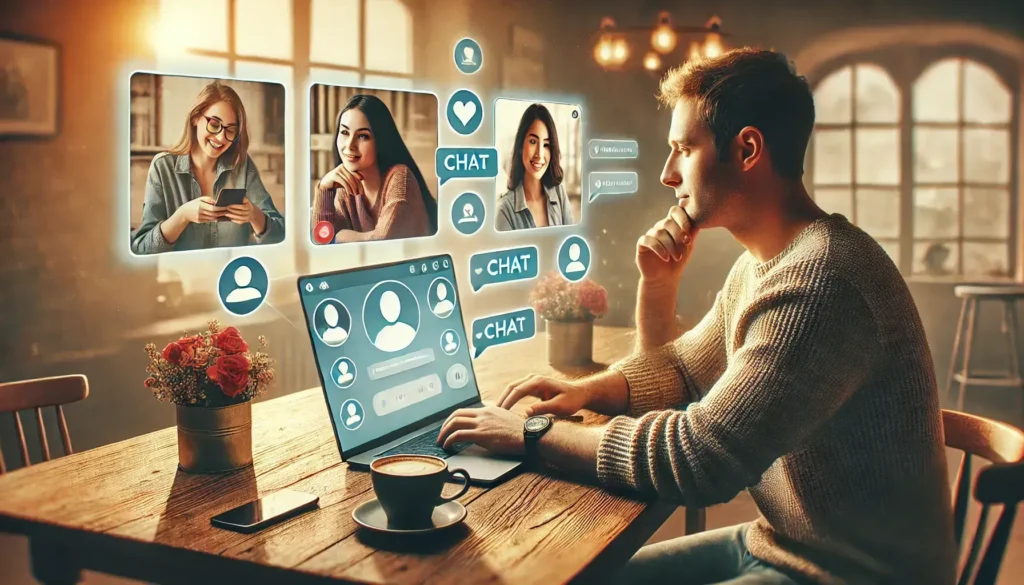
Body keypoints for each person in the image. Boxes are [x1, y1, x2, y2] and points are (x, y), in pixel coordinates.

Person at [437, 48, 955, 585]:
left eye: (684, 149)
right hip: (779, 545)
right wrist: (617, 349)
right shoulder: (766, 263)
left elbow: (698, 458)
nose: (667, 174)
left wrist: (530, 433)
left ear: (748, 149)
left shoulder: (823, 281)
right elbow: (683, 371)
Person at [131, 81, 285, 254]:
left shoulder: (241, 165)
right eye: (214, 124)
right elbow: (142, 248)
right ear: (196, 118)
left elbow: (282, 236)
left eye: (231, 130)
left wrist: (255, 216)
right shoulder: (162, 167)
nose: (220, 137)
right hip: (181, 279)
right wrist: (182, 216)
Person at [312, 94, 437, 243]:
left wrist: (339, 236)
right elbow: (322, 238)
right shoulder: (346, 186)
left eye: (363, 136)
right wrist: (324, 187)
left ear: (381, 140)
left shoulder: (400, 178)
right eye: (345, 132)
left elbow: (383, 241)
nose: (350, 145)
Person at [495, 104, 575, 231]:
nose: (540, 154)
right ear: (521, 145)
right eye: (533, 142)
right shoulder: (504, 210)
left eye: (546, 144)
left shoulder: (559, 194)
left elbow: (571, 241)